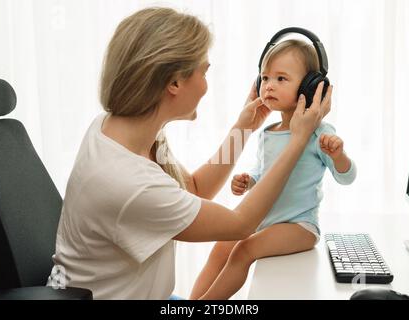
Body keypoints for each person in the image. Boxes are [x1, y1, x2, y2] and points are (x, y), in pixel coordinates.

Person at [47, 7, 332, 300]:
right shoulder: (129, 182)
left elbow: (195, 188)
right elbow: (241, 224)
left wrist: (243, 129)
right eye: (204, 71)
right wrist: (297, 141)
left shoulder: (122, 130)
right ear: (174, 83)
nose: (207, 86)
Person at [190, 39, 356, 300]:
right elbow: (268, 172)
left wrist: (339, 155)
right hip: (265, 222)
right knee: (222, 246)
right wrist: (251, 180)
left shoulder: (319, 133)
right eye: (265, 77)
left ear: (310, 87)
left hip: (298, 226)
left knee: (244, 250)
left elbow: (347, 177)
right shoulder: (268, 132)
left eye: (281, 78)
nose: (268, 85)